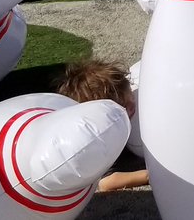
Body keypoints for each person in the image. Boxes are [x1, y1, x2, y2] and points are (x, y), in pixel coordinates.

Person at [54, 59, 149, 192]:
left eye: (130, 95)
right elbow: (106, 182)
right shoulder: (99, 139)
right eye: (126, 106)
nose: (133, 103)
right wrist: (150, 174)